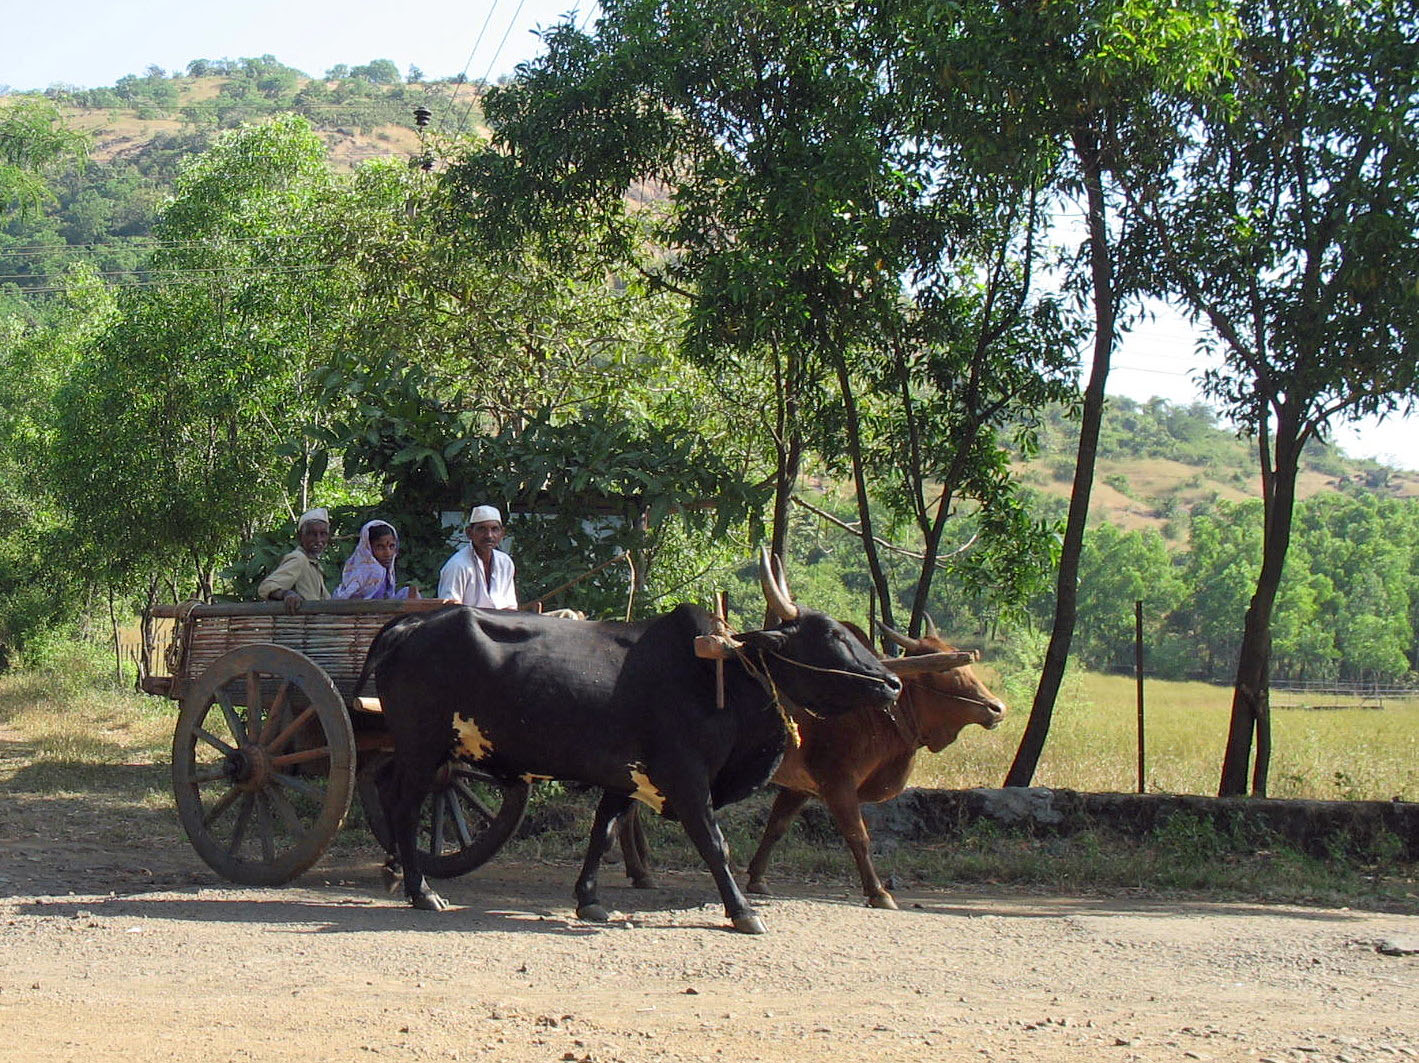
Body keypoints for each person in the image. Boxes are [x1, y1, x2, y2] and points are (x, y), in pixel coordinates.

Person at [437, 504, 518, 609]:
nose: (489, 535)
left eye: (494, 529)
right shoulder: (458, 565)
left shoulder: (505, 563)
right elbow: (449, 609)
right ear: (469, 533)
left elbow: (510, 607)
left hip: (499, 622)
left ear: (502, 533)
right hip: (467, 624)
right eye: (481, 529)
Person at [258, 507, 332, 614]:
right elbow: (266, 587)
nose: (318, 540)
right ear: (300, 537)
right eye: (312, 534)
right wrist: (287, 594)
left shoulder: (313, 563)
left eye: (323, 534)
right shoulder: (299, 559)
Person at [332, 520, 421, 601]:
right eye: (380, 547)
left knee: (407, 592)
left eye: (391, 546)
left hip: (380, 612)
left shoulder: (386, 570)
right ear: (368, 548)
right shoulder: (372, 570)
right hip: (363, 614)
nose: (388, 553)